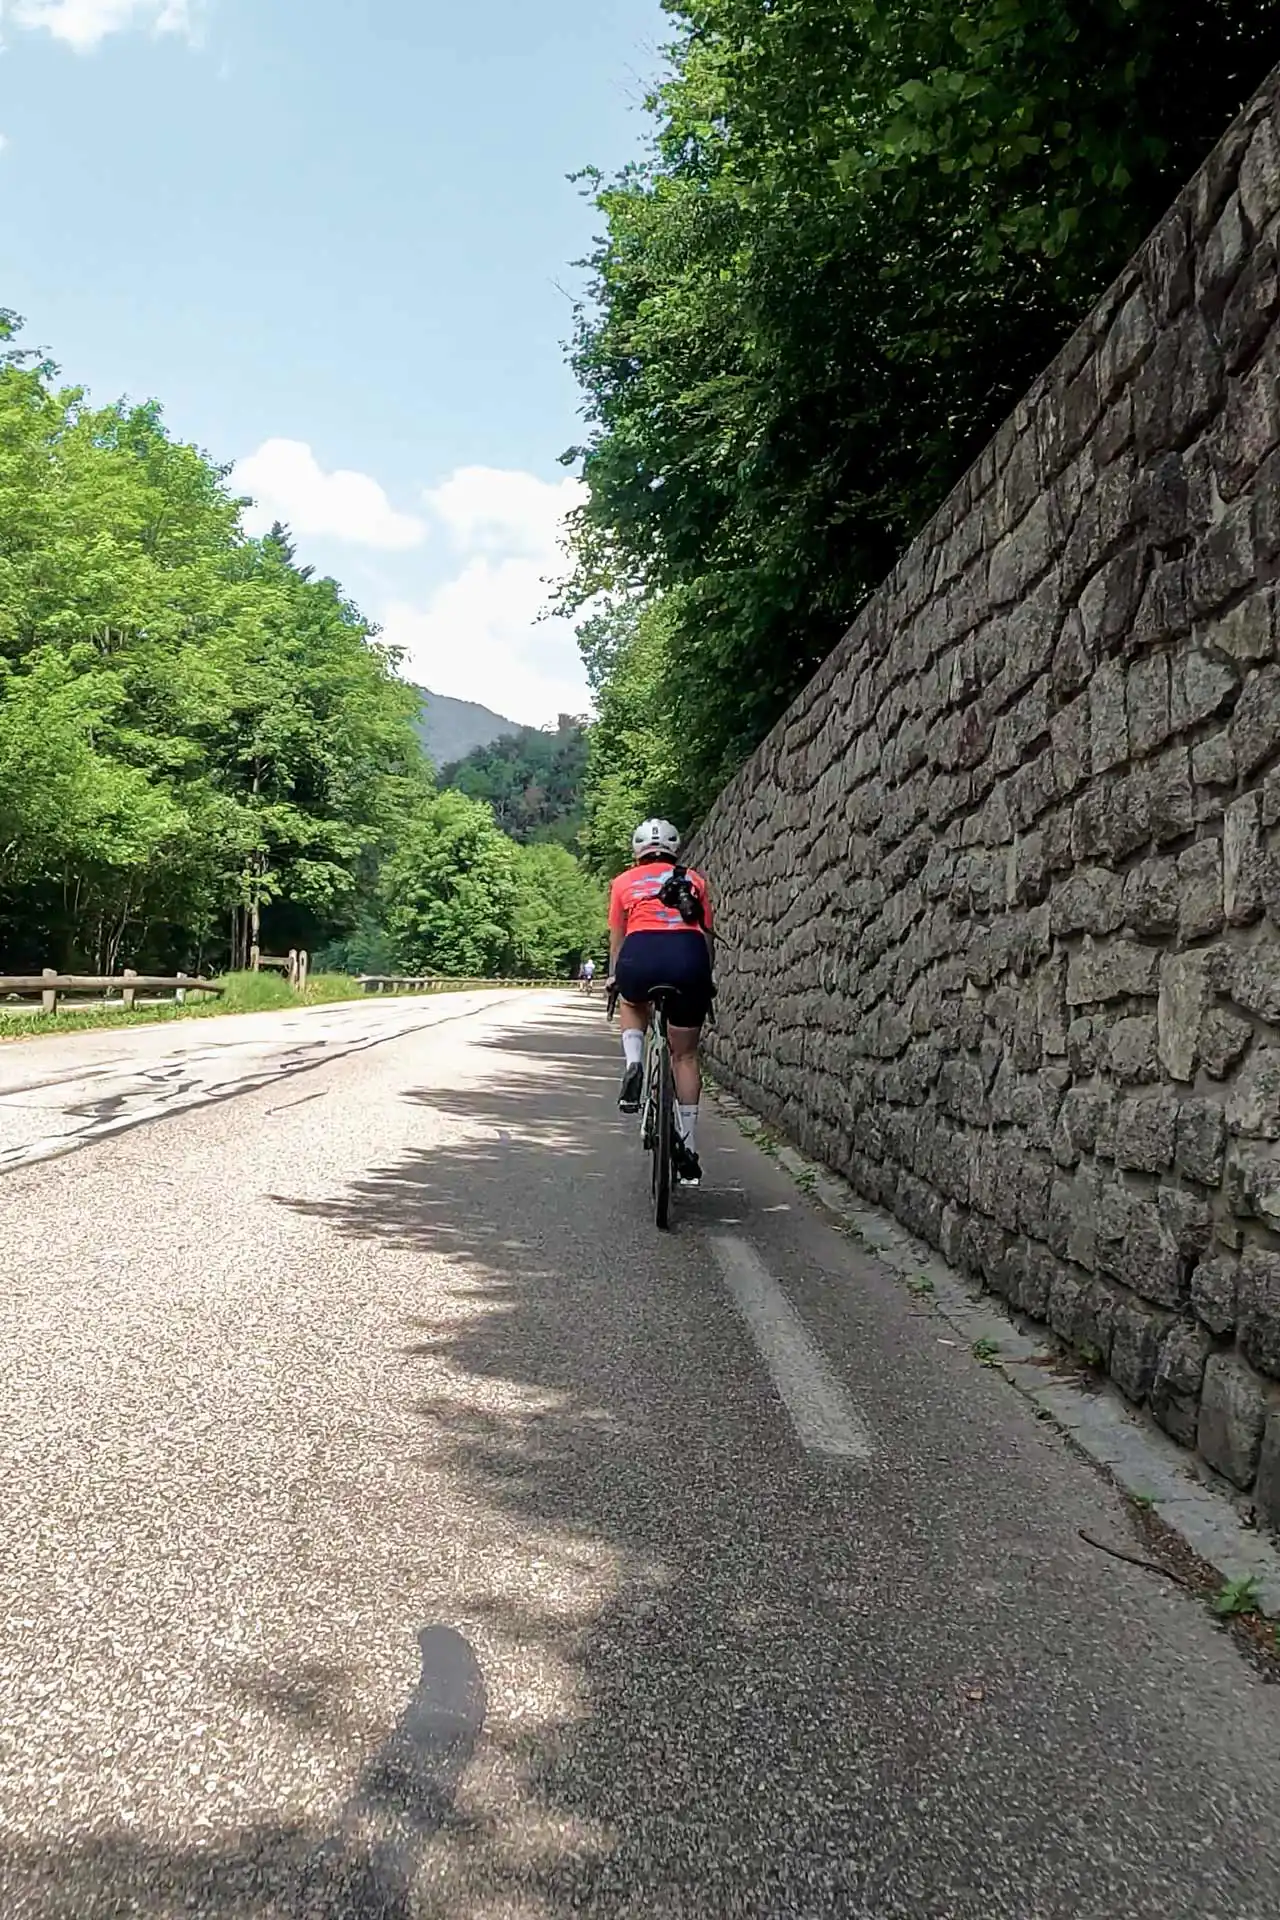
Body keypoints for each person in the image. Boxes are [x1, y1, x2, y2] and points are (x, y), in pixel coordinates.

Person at [607, 818, 714, 1186]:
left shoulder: (622, 883)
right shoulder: (695, 881)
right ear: (674, 850)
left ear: (638, 852)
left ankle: (634, 1062)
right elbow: (706, 936)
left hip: (640, 955)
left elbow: (617, 939)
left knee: (631, 1001)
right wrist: (704, 978)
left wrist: (615, 978)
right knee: (684, 1055)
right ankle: (689, 1142)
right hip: (688, 959)